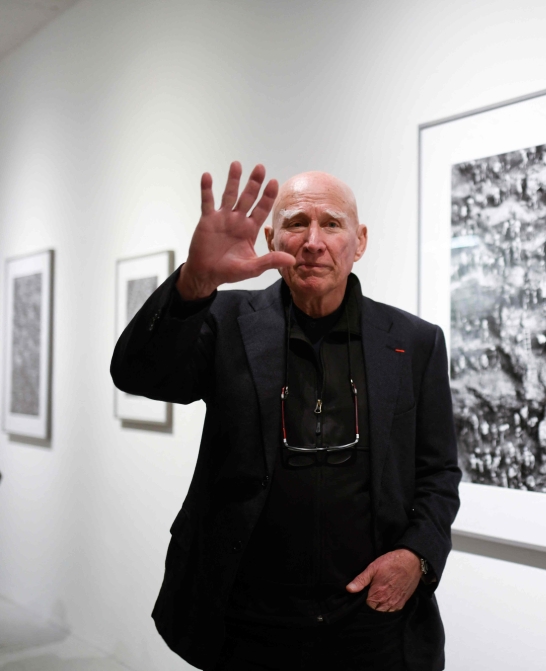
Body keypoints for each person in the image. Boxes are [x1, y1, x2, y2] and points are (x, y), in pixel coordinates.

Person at [111, 164, 461, 671]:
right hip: (249, 622)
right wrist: (196, 281)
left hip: (371, 626)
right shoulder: (224, 321)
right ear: (271, 238)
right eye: (297, 224)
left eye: (332, 224)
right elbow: (137, 374)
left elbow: (439, 473)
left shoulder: (414, 342)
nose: (313, 241)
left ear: (359, 241)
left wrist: (417, 556)